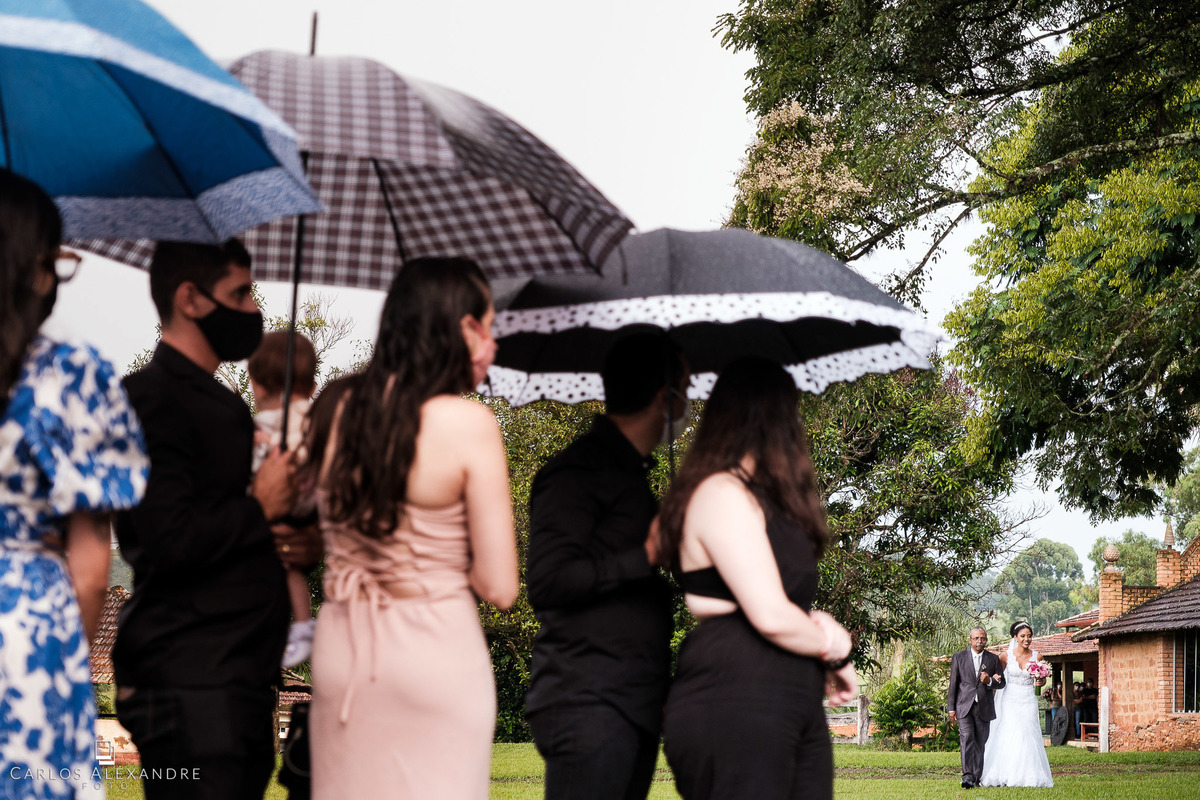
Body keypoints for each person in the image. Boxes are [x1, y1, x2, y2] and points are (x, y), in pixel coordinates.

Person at [113, 239, 318, 800]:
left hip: (240, 678)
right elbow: (168, 538)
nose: (254, 309)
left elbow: (240, 529)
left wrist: (301, 542)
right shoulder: (150, 399)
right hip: (191, 683)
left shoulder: (223, 404)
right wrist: (260, 507)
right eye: (241, 293)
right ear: (191, 299)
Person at [310, 257, 518, 799]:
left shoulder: (335, 409)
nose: (493, 343)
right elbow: (500, 587)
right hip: (434, 653)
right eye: (489, 326)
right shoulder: (469, 424)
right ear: (465, 329)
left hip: (343, 648)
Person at [0, 168, 150, 799]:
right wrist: (63, 646)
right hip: (28, 633)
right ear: (34, 268)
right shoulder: (70, 374)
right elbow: (90, 571)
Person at [659, 357, 855, 800]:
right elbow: (769, 614)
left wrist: (817, 623)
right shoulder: (719, 493)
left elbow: (779, 599)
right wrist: (834, 648)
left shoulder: (772, 503)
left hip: (794, 698)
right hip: (735, 694)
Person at [524, 332, 687, 800]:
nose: (688, 403)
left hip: (632, 700)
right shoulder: (576, 473)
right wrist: (646, 556)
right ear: (663, 397)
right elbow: (548, 581)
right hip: (588, 701)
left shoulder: (634, 477)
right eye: (685, 389)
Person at [247, 330, 319, 667]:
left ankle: (278, 629)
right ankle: (303, 624)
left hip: (277, 501)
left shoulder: (265, 422)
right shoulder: (315, 419)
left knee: (276, 566)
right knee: (293, 569)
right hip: (309, 506)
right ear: (313, 387)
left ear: (257, 386)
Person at [979, 621, 1054, 787]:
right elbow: (998, 678)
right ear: (1015, 637)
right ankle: (1005, 772)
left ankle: (1029, 774)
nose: (1026, 639)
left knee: (1028, 732)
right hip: (1010, 699)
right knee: (1010, 731)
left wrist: (1041, 682)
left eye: (1029, 636)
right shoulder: (1005, 657)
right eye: (1023, 636)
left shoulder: (1037, 657)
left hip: (1028, 698)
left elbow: (1042, 680)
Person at [947, 627, 1006, 789]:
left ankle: (976, 777)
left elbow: (1001, 683)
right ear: (970, 640)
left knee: (980, 742)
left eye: (983, 638)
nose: (980, 641)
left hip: (984, 707)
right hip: (964, 706)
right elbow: (953, 684)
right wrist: (951, 708)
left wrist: (989, 681)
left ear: (986, 640)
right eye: (976, 638)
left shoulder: (993, 659)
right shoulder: (959, 657)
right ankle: (967, 777)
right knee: (967, 739)